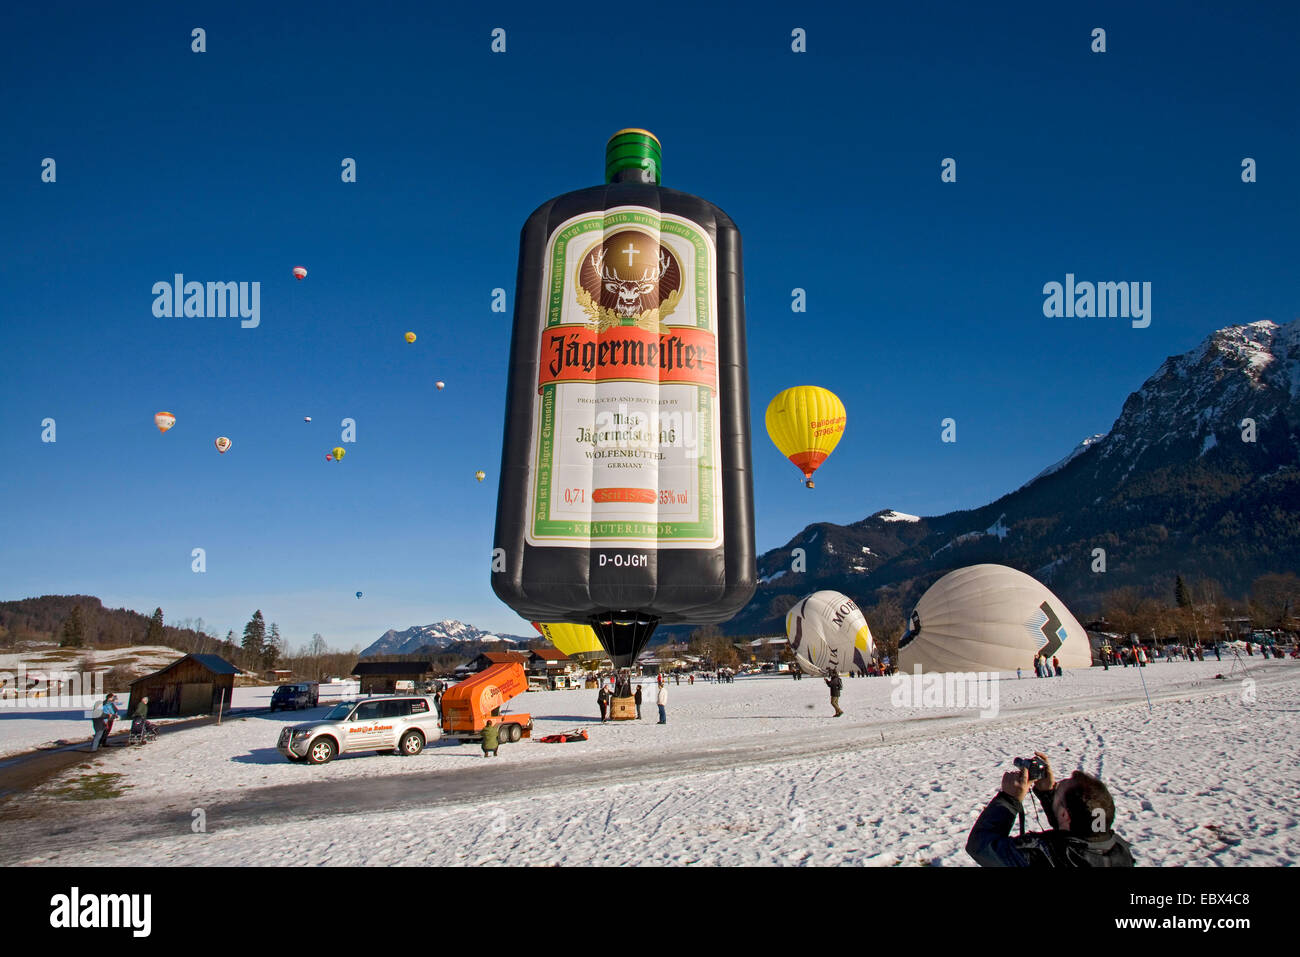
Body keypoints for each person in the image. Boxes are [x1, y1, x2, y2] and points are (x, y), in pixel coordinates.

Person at [966, 751, 1134, 867]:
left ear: (1064, 814)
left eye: (1058, 789)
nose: (1056, 786)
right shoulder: (1118, 848)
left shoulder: (1041, 855)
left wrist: (1009, 799)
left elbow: (980, 846)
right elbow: (1075, 834)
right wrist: (1048, 794)